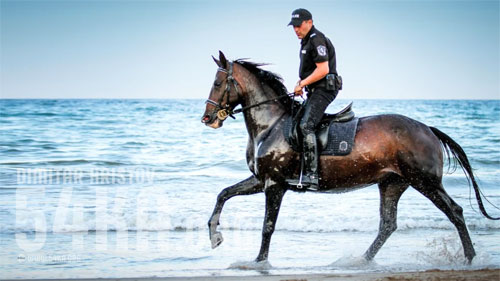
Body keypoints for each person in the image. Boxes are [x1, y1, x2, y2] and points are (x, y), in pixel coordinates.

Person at [288, 8, 341, 189]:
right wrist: (301, 83)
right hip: (315, 89)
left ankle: (312, 175)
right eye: (293, 26)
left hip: (325, 89)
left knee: (306, 125)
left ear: (309, 22)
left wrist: (302, 84)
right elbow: (311, 71)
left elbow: (323, 70)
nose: (296, 29)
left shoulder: (316, 39)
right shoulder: (305, 41)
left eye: (298, 25)